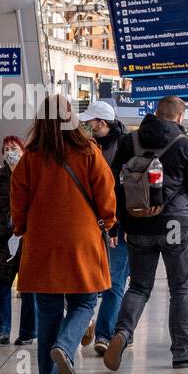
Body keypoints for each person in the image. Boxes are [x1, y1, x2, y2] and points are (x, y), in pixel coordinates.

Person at [11, 95, 115, 374]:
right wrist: (107, 222)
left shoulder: (31, 157)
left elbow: (18, 197)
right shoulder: (88, 151)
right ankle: (66, 346)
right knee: (85, 300)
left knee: (48, 309)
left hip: (42, 240)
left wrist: (21, 227)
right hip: (82, 237)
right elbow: (106, 191)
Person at [103, 96, 188, 371]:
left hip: (138, 223)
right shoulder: (186, 146)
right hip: (174, 224)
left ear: (155, 113)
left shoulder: (129, 142)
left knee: (139, 286)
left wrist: (119, 223)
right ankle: (181, 352)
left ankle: (122, 332)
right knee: (179, 288)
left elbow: (114, 185)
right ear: (180, 117)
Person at [78, 99, 128, 355]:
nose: (85, 125)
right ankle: (85, 321)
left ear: (102, 123)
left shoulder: (124, 147)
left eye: (89, 122)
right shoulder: (86, 147)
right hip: (88, 224)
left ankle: (104, 334)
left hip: (117, 224)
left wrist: (116, 224)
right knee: (87, 278)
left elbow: (122, 191)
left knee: (115, 280)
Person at [0, 136, 34, 345]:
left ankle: (29, 332)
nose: (10, 152)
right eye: (6, 149)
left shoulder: (32, 173)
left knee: (28, 284)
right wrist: (0, 224)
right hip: (5, 235)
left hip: (28, 235)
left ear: (23, 151)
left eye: (14, 148)